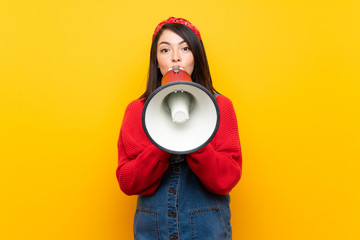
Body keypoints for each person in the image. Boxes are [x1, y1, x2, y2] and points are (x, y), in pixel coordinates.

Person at [116, 17, 242, 240]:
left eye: (185, 48)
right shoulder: (137, 110)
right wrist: (163, 141)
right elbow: (128, 181)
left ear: (197, 57)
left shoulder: (221, 107)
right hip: (153, 231)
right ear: (156, 61)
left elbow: (226, 180)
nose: (175, 57)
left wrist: (194, 138)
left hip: (207, 230)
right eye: (165, 50)